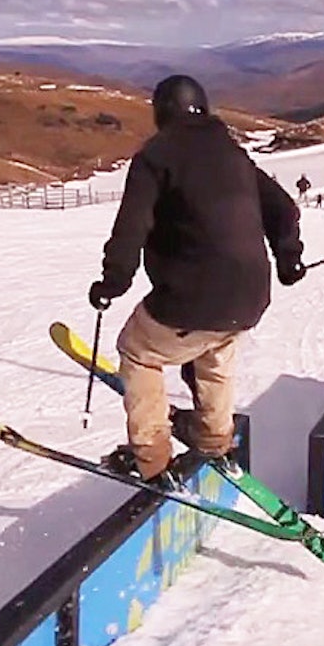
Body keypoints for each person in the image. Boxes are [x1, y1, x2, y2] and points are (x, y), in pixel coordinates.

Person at [88, 74, 306, 487]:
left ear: (161, 112)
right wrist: (288, 258)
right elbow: (283, 207)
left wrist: (111, 283)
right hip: (250, 297)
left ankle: (151, 458)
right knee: (215, 350)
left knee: (139, 352)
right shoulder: (232, 153)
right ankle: (213, 437)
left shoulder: (158, 155)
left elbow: (131, 228)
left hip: (191, 295)